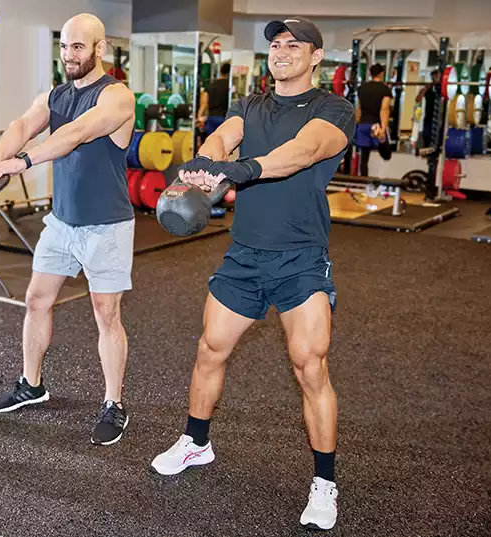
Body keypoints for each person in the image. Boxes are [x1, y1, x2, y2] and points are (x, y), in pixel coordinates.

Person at [150, 17, 355, 531]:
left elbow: (302, 153)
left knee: (310, 368)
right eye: (276, 45)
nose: (282, 52)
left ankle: (324, 484)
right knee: (209, 350)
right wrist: (204, 162)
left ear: (316, 57)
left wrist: (237, 170)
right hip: (244, 254)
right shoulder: (249, 105)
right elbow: (224, 138)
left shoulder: (334, 110)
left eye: (294, 45)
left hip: (300, 258)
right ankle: (196, 442)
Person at [0, 13, 136, 446]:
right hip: (62, 222)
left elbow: (76, 135)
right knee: (36, 300)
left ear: (100, 49)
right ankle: (32, 384)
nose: (69, 55)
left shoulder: (117, 97)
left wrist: (20, 163)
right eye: (64, 46)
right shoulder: (56, 96)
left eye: (78, 47)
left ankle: (114, 403)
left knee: (106, 313)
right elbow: (23, 126)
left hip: (107, 226)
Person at [355, 63, 393, 176]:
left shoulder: (362, 88)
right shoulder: (385, 89)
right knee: (387, 155)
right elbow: (384, 109)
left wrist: (357, 124)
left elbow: (358, 109)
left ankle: (363, 185)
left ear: (370, 74)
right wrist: (383, 128)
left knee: (364, 159)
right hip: (376, 126)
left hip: (363, 125)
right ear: (381, 74)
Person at [196, 63, 231, 138]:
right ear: (229, 73)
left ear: (221, 72)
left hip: (211, 118)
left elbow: (203, 104)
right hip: (224, 119)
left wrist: (199, 118)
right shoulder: (229, 87)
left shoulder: (210, 86)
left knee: (211, 141)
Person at [416, 69, 442, 150]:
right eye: (433, 76)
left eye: (437, 76)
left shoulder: (442, 88)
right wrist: (424, 90)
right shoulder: (428, 88)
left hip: (439, 116)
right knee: (426, 135)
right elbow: (417, 99)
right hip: (429, 116)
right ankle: (427, 150)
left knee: (438, 136)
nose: (435, 78)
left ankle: (436, 150)